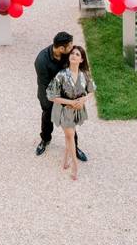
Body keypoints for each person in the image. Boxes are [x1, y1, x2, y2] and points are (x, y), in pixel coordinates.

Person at [34, 32, 87, 162]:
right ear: (61, 48)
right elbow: (48, 88)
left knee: (70, 122)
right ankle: (45, 140)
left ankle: (75, 147)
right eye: (70, 46)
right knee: (47, 117)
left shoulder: (68, 54)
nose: (72, 48)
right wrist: (62, 101)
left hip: (66, 94)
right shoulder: (41, 61)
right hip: (48, 95)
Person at [46, 45, 95, 181]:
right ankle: (75, 164)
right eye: (72, 53)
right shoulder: (61, 75)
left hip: (77, 110)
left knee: (69, 136)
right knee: (70, 134)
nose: (74, 55)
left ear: (81, 59)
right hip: (63, 110)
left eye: (77, 54)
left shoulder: (85, 75)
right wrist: (71, 103)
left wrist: (83, 100)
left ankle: (65, 159)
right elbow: (51, 96)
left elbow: (91, 91)